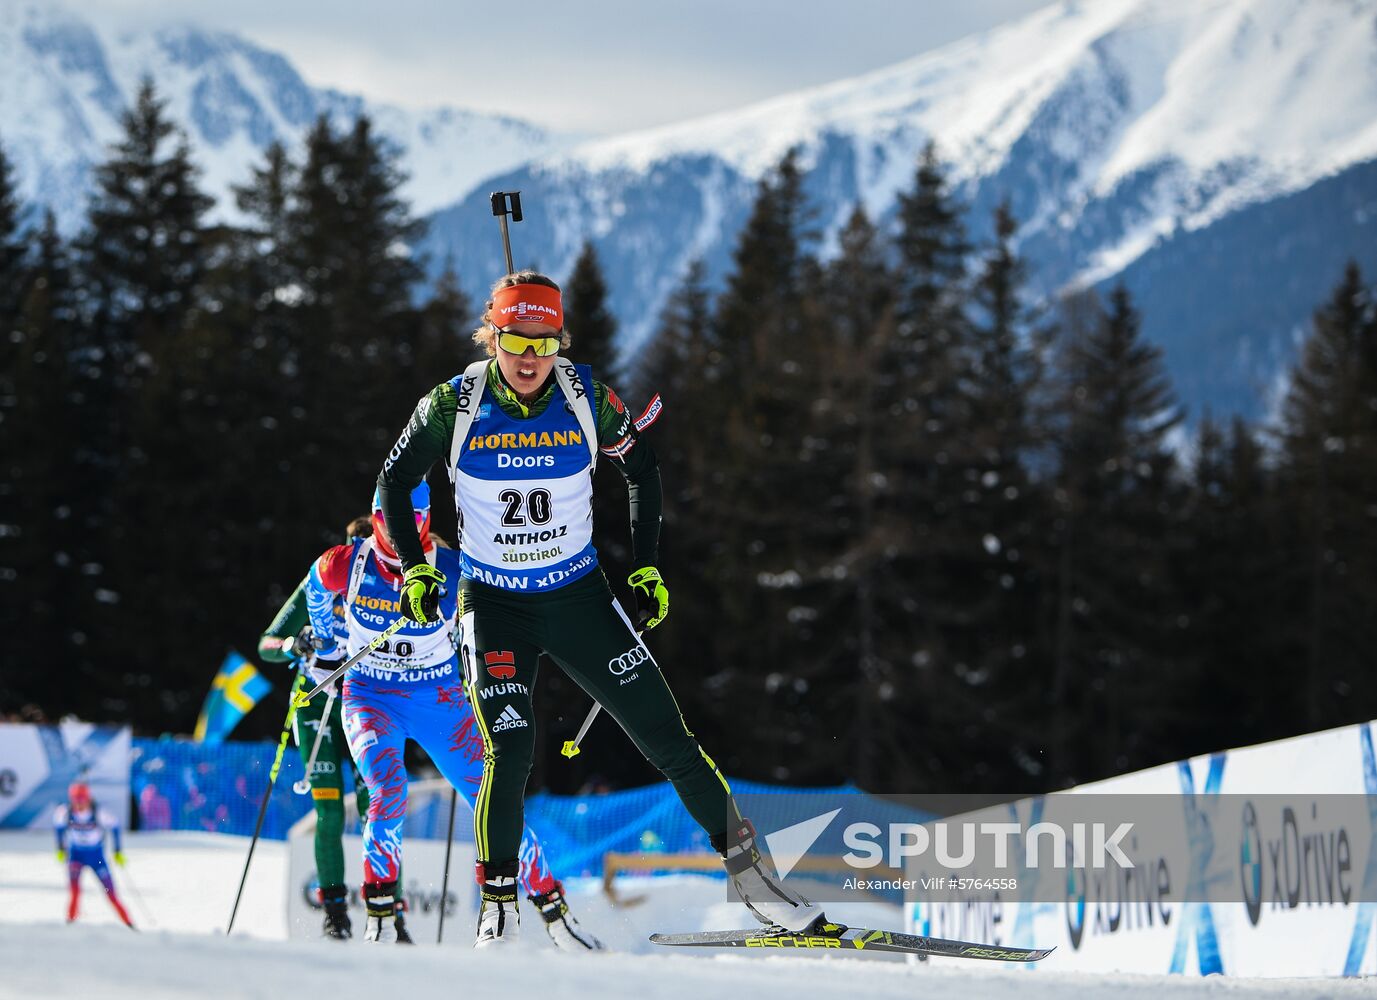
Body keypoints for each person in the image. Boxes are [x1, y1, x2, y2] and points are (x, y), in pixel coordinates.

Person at [377, 270, 824, 947]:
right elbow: (394, 479)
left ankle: (755, 882)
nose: (529, 359)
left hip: (579, 598)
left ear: (559, 341)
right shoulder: (452, 405)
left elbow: (641, 469)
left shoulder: (587, 398)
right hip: (494, 603)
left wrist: (645, 562)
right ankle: (498, 906)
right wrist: (415, 568)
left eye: (544, 342)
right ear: (491, 336)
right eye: (515, 342)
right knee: (511, 748)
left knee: (668, 740)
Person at [303, 483, 601, 948]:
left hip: (437, 698)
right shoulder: (346, 562)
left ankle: (553, 910)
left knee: (492, 798)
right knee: (387, 790)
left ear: (426, 517)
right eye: (389, 516)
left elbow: (496, 617)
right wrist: (328, 643)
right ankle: (379, 918)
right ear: (375, 515)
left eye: (416, 515)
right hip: (370, 696)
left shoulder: (451, 567)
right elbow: (316, 592)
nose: (402, 527)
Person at [258, 515, 406, 941]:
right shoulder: (322, 579)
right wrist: (293, 643)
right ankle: (335, 913)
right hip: (317, 704)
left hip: (364, 706)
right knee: (327, 811)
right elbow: (266, 643)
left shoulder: (390, 585)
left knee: (375, 807)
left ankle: (390, 910)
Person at [54, 781, 134, 928]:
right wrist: (60, 848)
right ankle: (69, 925)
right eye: (76, 801)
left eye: (82, 801)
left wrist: (117, 851)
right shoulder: (65, 812)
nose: (79, 805)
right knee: (75, 892)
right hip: (76, 856)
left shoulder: (99, 812)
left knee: (110, 894)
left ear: (88, 799)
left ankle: (129, 924)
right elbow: (58, 828)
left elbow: (115, 827)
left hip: (96, 858)